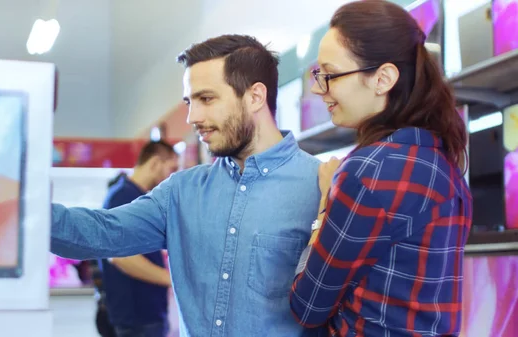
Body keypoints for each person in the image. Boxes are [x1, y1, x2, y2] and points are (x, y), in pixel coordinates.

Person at [50, 34, 322, 337]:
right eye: (189, 102)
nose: (193, 117)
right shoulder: (181, 192)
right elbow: (101, 232)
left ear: (255, 96)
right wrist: (18, 212)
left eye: (206, 99)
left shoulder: (320, 186)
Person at [289, 1, 472, 337]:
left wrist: (324, 206)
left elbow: (308, 305)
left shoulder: (365, 172)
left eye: (329, 75)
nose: (318, 88)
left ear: (383, 78)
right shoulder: (444, 162)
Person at [98, 140, 178, 337]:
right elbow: (120, 257)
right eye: (172, 168)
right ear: (155, 163)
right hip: (137, 319)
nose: (173, 176)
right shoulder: (123, 197)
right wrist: (173, 280)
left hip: (146, 316)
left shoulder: (136, 197)